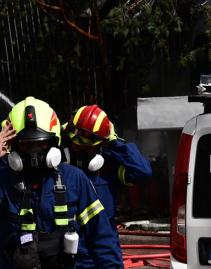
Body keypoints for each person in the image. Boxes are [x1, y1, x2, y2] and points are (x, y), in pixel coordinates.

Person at [0, 97, 123, 269]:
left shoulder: (75, 179)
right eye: (25, 144)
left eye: (41, 142)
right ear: (12, 146)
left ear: (53, 143)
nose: (33, 151)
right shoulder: (2, 180)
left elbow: (102, 238)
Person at [61, 104, 152, 268]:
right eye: (74, 143)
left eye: (85, 146)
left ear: (100, 144)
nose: (77, 149)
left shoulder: (109, 167)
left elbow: (143, 171)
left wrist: (114, 142)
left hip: (103, 259)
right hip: (68, 259)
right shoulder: (59, 169)